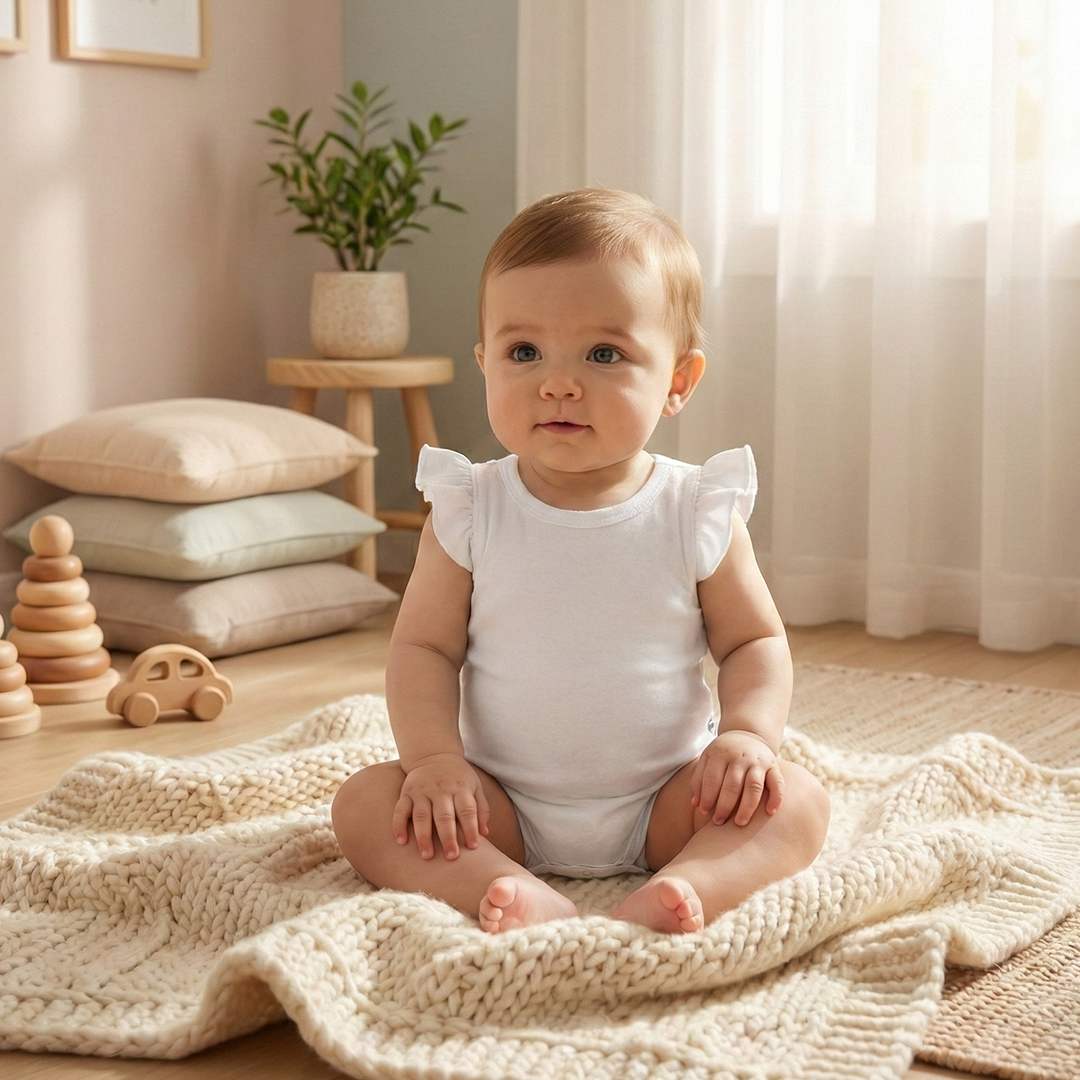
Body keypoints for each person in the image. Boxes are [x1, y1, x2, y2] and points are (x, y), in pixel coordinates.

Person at [332, 188, 830, 934]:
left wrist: (747, 737)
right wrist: (436, 763)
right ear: (485, 362)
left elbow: (754, 641)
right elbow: (423, 648)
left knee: (796, 801)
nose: (557, 381)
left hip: (668, 802)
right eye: (523, 351)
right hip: (496, 803)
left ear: (678, 382)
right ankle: (498, 885)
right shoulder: (470, 507)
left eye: (604, 354)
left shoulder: (695, 508)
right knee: (366, 804)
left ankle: (691, 882)